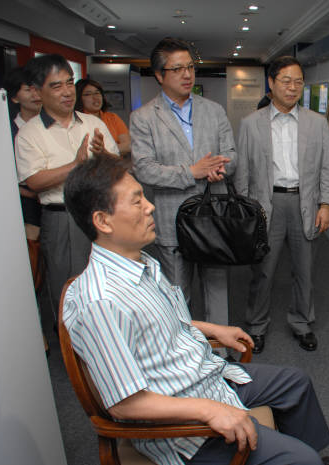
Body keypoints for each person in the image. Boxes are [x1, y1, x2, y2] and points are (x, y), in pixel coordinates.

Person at [62, 155, 329, 465]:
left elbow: (160, 322)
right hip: (182, 426)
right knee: (302, 460)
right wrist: (209, 410)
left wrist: (213, 329)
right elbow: (124, 405)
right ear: (103, 220)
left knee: (296, 383)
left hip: (205, 376)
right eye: (137, 201)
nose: (150, 206)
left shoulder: (140, 262)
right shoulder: (100, 302)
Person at [235, 56, 329, 354]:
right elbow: (242, 173)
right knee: (263, 270)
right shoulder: (250, 124)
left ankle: (302, 323)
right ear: (271, 83)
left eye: (298, 82)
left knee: (304, 270)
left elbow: (328, 167)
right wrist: (245, 212)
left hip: (305, 203)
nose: (292, 88)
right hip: (266, 205)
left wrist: (327, 204)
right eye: (286, 81)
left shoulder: (317, 124)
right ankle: (257, 326)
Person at [131, 37, 235, 326]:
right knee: (178, 294)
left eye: (190, 67)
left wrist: (219, 169)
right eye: (177, 69)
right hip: (172, 217)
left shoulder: (213, 110)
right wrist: (192, 172)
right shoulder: (143, 118)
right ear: (159, 75)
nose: (187, 74)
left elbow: (231, 154)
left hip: (213, 214)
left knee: (217, 288)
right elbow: (144, 169)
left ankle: (222, 354)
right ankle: (185, 358)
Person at [14, 54, 119, 318]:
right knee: (69, 290)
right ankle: (73, 354)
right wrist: (75, 165)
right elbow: (34, 181)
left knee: (110, 285)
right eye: (56, 85)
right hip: (62, 218)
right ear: (38, 91)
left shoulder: (93, 123)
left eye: (69, 83)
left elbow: (117, 168)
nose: (67, 92)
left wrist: (104, 155)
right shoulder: (30, 133)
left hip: (103, 212)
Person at [4, 66, 43, 239]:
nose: (36, 95)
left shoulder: (56, 125)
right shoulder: (7, 131)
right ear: (14, 97)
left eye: (38, 89)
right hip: (27, 205)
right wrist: (32, 194)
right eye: (28, 90)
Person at [75, 78, 131, 156]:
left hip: (114, 165)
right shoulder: (76, 120)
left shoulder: (112, 118)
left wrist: (103, 150)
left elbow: (128, 146)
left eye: (97, 93)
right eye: (88, 94)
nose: (95, 97)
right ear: (78, 98)